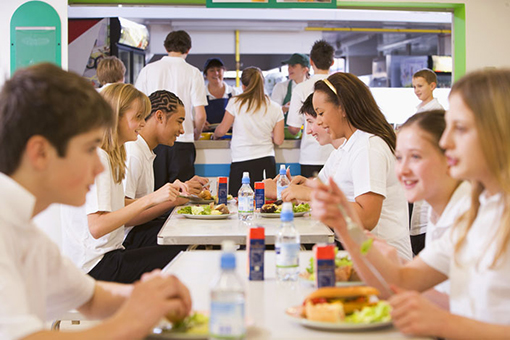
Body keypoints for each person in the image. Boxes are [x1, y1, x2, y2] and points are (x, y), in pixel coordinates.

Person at [311, 69, 510, 339]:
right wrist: (345, 227)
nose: (445, 141)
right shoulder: (479, 210)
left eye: (460, 128)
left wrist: (443, 323)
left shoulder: (473, 209)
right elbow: (401, 281)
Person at [0, 63, 190, 339]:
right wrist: (133, 318)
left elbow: (90, 297)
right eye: (89, 148)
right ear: (40, 153)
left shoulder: (27, 232)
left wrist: (149, 296)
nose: (100, 167)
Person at [61, 83, 185, 284]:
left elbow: (116, 206)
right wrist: (152, 199)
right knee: (184, 252)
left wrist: (164, 198)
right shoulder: (98, 157)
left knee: (182, 247)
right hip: (94, 267)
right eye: (138, 117)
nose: (143, 124)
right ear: (114, 117)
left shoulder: (110, 155)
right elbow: (97, 226)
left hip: (101, 260)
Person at [312, 72, 412, 261]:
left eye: (321, 113)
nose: (318, 122)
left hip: (387, 259)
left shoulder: (368, 147)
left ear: (342, 108)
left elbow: (367, 218)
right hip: (367, 254)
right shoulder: (352, 144)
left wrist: (312, 196)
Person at [123, 90, 209, 249]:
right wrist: (174, 199)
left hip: (139, 230)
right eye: (179, 121)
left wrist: (181, 189)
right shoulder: (133, 153)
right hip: (128, 239)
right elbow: (125, 217)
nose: (182, 130)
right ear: (160, 116)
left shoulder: (145, 151)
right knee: (193, 236)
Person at [135, 30, 208, 186]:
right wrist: (196, 132)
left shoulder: (148, 70)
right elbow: (201, 115)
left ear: (166, 47)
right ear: (188, 49)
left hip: (154, 141)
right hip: (183, 141)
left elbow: (137, 107)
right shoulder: (193, 73)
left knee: (154, 194)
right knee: (182, 195)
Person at [213, 67, 285, 195]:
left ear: (243, 86)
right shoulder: (275, 107)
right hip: (266, 161)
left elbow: (222, 131)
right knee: (266, 205)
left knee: (238, 204)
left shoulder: (235, 103)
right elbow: (279, 140)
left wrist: (215, 135)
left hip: (241, 161)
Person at [263, 93, 344, 202]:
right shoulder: (337, 153)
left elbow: (358, 210)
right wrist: (300, 187)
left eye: (310, 122)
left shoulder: (362, 150)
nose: (308, 131)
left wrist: (279, 191)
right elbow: (324, 192)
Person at [409, 68, 446, 254]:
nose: (416, 90)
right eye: (414, 86)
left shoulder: (435, 113)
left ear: (433, 86)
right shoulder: (421, 110)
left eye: (420, 86)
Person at [286, 40, 335, 178]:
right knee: (338, 198)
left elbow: (293, 128)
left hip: (311, 156)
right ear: (332, 62)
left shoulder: (301, 88)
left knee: (310, 197)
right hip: (338, 152)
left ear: (311, 61)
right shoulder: (341, 85)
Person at [203, 58, 241, 127]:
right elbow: (193, 117)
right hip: (207, 136)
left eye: (218, 70)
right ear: (206, 74)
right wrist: (200, 124)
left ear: (223, 72)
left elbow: (242, 116)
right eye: (212, 70)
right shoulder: (201, 94)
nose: (216, 73)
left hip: (230, 136)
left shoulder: (234, 93)